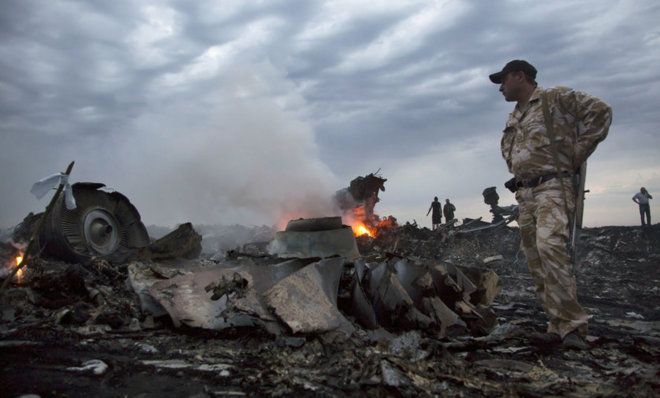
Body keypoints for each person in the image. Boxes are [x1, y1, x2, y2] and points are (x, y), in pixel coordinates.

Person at [489, 60, 612, 349]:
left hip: (553, 187)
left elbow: (600, 112)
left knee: (551, 248)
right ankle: (556, 324)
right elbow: (513, 152)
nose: (501, 88)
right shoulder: (514, 116)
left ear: (520, 76)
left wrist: (576, 154)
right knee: (536, 258)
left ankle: (572, 327)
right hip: (526, 194)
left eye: (503, 81)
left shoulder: (554, 98)